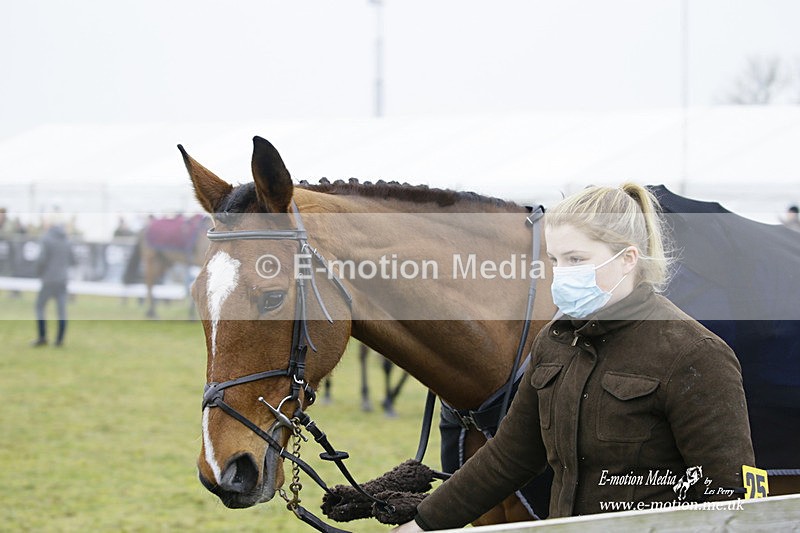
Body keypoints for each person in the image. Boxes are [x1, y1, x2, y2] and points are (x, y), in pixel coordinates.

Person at [394, 183, 754, 531]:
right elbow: (508, 457)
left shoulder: (693, 353)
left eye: (576, 259)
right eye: (555, 260)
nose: (562, 273)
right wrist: (422, 523)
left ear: (627, 259)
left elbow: (731, 497)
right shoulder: (555, 342)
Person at [32, 219, 74, 347]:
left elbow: (41, 260)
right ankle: (59, 340)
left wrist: (39, 273)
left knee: (39, 307)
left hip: (49, 280)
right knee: (61, 311)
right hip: (62, 280)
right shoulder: (67, 240)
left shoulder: (46, 239)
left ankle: (42, 337)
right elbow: (73, 260)